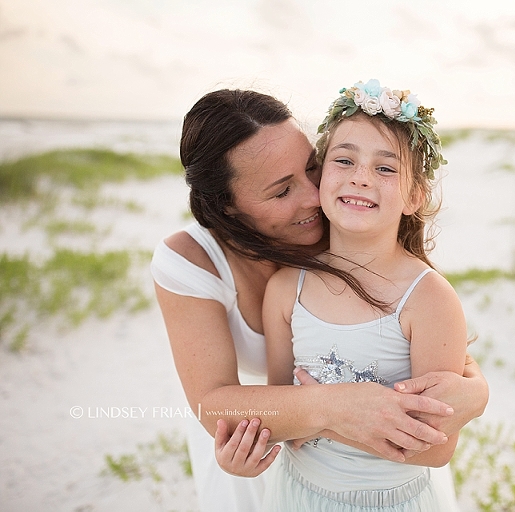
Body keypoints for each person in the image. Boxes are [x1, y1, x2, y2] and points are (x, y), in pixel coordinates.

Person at [150, 87, 488, 511]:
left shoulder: (351, 220)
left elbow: (439, 357)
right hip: (258, 443)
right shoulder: (204, 263)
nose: (313, 197)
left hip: (383, 480)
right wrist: (338, 410)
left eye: (312, 168)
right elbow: (219, 401)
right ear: (229, 206)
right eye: (281, 191)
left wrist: (477, 391)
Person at [255, 79, 468, 510]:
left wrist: (319, 418)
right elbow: (277, 409)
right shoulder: (285, 289)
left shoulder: (427, 299)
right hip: (297, 496)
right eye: (344, 160)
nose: (361, 178)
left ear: (414, 196)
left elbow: (436, 447)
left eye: (385, 168)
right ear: (319, 176)